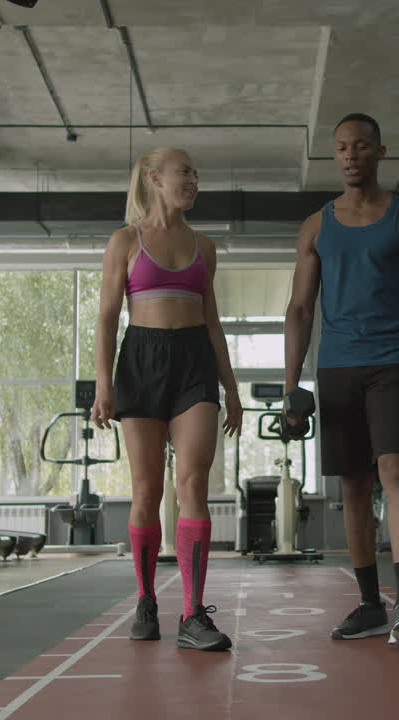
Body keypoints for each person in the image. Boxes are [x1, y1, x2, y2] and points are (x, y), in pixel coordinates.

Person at [283, 112, 399, 649]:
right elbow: (300, 309)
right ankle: (368, 604)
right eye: (341, 148)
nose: (350, 155)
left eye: (360, 146)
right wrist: (292, 386)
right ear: (335, 157)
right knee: (353, 485)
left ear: (381, 152)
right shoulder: (316, 226)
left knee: (395, 471)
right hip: (335, 369)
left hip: (390, 365)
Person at [90, 146, 243, 652]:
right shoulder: (125, 242)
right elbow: (109, 316)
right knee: (145, 490)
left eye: (197, 173)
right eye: (184, 172)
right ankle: (145, 599)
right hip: (141, 362)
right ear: (155, 179)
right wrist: (103, 384)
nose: (193, 180)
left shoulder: (206, 246)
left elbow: (214, 322)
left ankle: (193, 613)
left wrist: (232, 387)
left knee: (193, 482)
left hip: (194, 363)